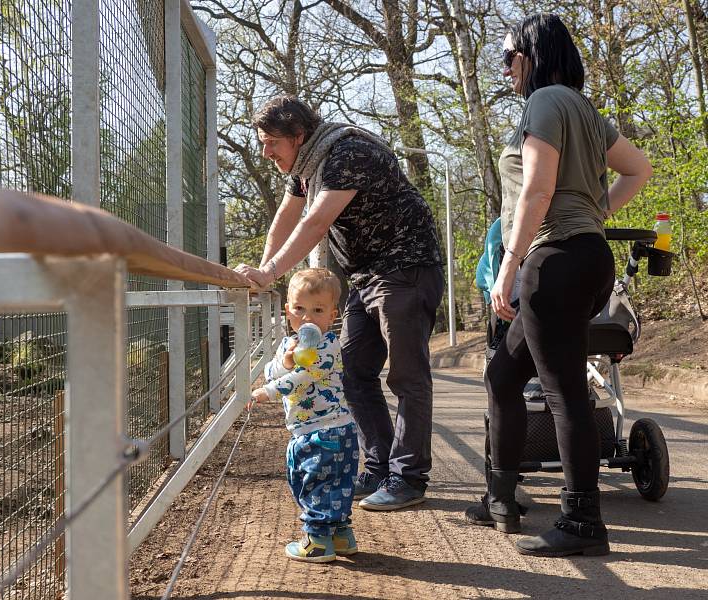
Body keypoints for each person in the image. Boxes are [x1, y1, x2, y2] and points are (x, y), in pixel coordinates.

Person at [464, 13, 652, 557]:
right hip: (588, 259)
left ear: (531, 55)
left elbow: (537, 190)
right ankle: (500, 497)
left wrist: (508, 266)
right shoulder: (587, 111)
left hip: (555, 262)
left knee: (564, 390)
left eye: (508, 57)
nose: (505, 69)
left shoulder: (544, 101)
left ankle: (583, 521)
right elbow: (638, 169)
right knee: (503, 375)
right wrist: (595, 215)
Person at [236, 95, 444, 510]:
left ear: (298, 137)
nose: (266, 152)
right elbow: (287, 217)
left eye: (271, 142)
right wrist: (261, 272)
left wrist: (272, 273)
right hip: (365, 275)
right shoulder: (305, 167)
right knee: (353, 372)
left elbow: (315, 222)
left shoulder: (348, 151)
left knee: (406, 376)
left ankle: (408, 478)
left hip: (405, 267)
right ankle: (380, 466)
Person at [250, 268, 358, 563]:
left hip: (324, 430)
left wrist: (268, 392)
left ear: (332, 315)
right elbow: (273, 369)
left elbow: (303, 376)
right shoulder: (289, 343)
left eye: (317, 310)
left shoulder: (328, 345)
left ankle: (318, 542)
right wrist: (285, 359)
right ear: (288, 311)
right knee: (333, 482)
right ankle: (340, 535)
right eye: (300, 309)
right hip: (317, 428)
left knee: (316, 482)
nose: (307, 318)